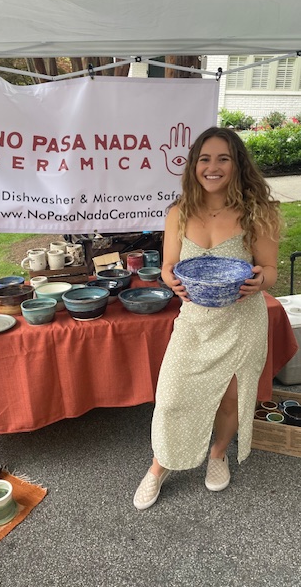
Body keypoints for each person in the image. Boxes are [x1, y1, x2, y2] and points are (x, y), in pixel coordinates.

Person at [133, 126, 281, 510]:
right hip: (195, 321)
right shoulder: (179, 212)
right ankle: (159, 466)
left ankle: (218, 454)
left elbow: (269, 269)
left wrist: (260, 280)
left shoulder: (259, 212)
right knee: (171, 397)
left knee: (230, 400)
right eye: (205, 159)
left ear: (237, 164)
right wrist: (171, 280)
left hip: (242, 321)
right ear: (194, 165)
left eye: (223, 159)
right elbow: (169, 266)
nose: (212, 167)